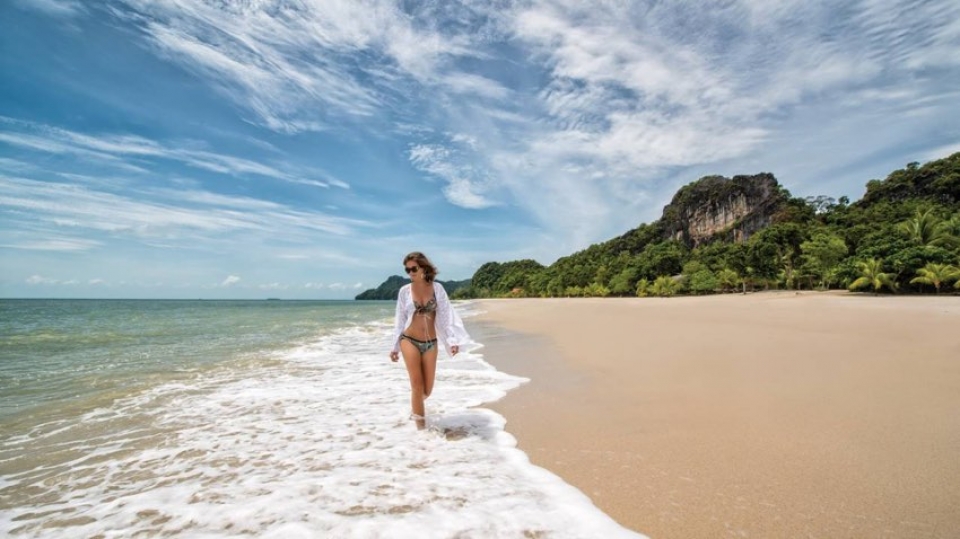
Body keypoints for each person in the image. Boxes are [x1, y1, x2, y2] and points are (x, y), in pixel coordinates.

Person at [389, 251, 471, 430]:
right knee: (417, 387)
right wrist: (395, 346)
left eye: (413, 268)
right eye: (407, 269)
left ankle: (414, 409)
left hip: (430, 343)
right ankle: (421, 433)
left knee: (427, 390)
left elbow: (445, 316)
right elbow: (400, 319)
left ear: (423, 267)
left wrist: (451, 340)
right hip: (409, 340)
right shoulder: (404, 291)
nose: (410, 272)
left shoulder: (438, 289)